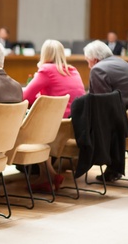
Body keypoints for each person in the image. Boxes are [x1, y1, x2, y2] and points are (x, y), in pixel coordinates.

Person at [23, 39, 85, 191]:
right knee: (42, 126)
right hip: (73, 126)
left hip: (55, 128)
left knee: (30, 128)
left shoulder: (47, 70)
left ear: (45, 54)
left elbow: (25, 96)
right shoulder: (73, 70)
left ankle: (48, 175)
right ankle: (49, 175)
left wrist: (38, 98)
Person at [83, 40, 128, 182]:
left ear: (95, 60)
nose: (88, 66)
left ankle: (73, 164)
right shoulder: (124, 64)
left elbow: (100, 104)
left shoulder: (98, 69)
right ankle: (113, 168)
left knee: (79, 118)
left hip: (123, 123)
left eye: (88, 62)